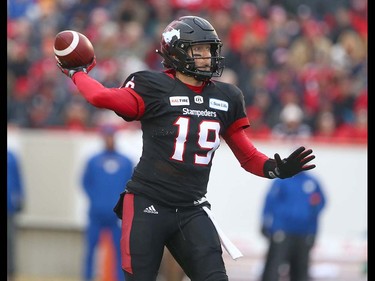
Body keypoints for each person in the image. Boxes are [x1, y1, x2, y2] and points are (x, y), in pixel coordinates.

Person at [56, 15, 316, 281]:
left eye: (210, 49)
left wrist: (275, 169)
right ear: (176, 51)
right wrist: (78, 74)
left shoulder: (226, 97)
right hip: (148, 203)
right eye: (199, 49)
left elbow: (248, 156)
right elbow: (100, 96)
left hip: (192, 209)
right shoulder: (152, 86)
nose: (207, 56)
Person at [81, 125, 134, 281]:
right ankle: (87, 276)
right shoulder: (93, 161)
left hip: (117, 216)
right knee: (90, 248)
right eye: (107, 136)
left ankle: (120, 278)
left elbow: (130, 185)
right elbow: (85, 183)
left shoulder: (125, 162)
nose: (109, 139)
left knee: (120, 250)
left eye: (112, 136)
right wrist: (96, 200)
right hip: (96, 214)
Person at [260, 170, 326, 281]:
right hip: (282, 231)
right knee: (273, 268)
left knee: (301, 270)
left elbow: (321, 202)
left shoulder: (312, 182)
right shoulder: (281, 180)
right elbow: (269, 201)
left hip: (304, 232)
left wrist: (310, 221)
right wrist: (265, 222)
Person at [7, 149, 25, 281]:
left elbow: (19, 179)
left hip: (9, 207)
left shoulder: (12, 157)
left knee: (10, 241)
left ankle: (10, 272)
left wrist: (21, 198)